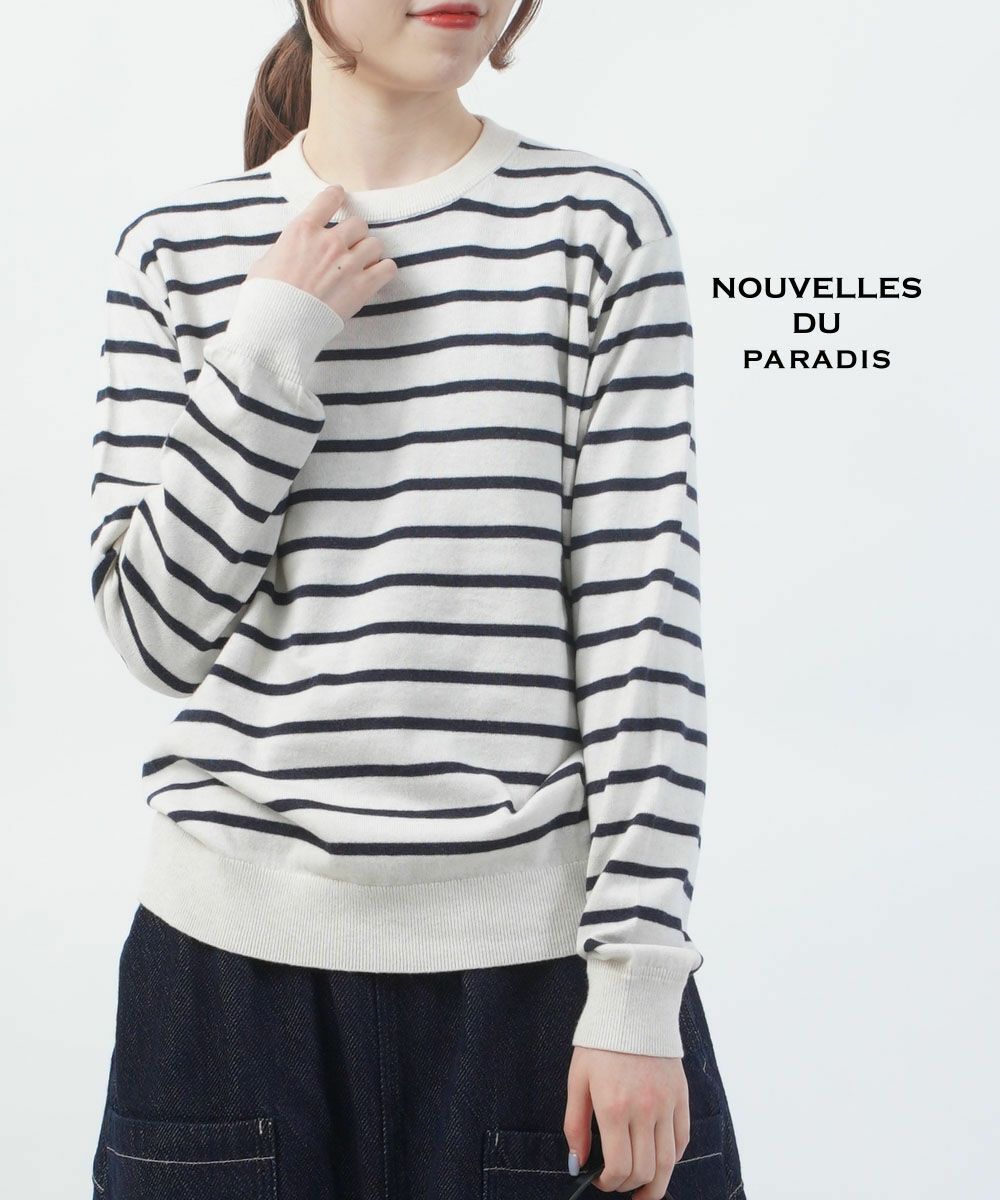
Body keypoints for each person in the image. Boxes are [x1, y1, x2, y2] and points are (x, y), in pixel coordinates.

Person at [87, 2, 747, 1198]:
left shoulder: (592, 226)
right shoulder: (176, 248)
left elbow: (642, 623)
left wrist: (637, 987)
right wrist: (272, 338)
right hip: (223, 989)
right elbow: (155, 634)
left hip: (540, 984)